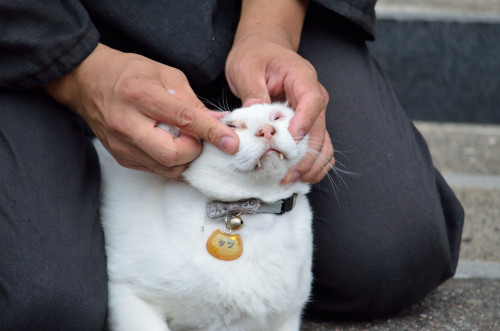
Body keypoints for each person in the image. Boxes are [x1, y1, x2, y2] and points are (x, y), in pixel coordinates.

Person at [0, 0, 464, 329]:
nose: (265, 132)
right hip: (35, 35)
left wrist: (270, 29)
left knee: (395, 253)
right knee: (46, 304)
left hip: (244, 18)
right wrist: (78, 70)